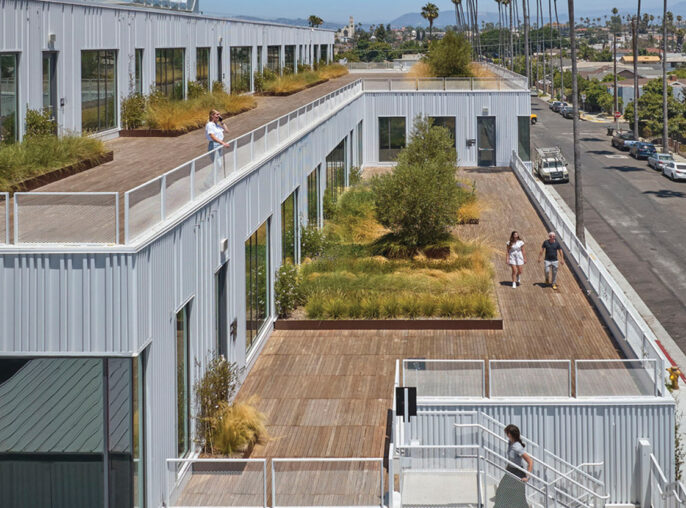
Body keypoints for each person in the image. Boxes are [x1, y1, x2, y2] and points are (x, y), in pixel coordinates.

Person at [493, 424, 534, 508]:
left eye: (507, 433)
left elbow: (530, 461)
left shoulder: (517, 447)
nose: (506, 435)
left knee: (517, 496)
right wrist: (508, 466)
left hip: (517, 472)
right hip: (510, 470)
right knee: (502, 491)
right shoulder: (510, 443)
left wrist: (527, 477)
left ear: (509, 434)